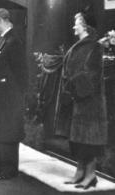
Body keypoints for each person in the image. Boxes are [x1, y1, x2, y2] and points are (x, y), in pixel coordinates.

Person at [58, 12, 107, 189]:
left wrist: (72, 86)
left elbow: (91, 75)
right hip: (77, 99)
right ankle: (79, 172)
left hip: (89, 102)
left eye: (77, 23)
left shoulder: (95, 47)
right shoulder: (79, 46)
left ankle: (91, 175)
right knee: (77, 140)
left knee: (89, 140)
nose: (73, 26)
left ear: (86, 26)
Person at [0, 8, 27, 180]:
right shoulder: (5, 40)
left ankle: (9, 170)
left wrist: (15, 97)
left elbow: (21, 73)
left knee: (8, 134)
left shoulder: (14, 41)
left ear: (2, 20)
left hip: (9, 98)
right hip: (0, 97)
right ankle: (1, 167)